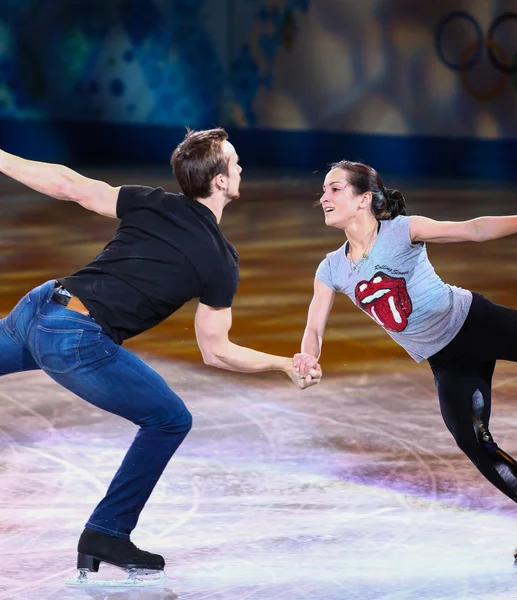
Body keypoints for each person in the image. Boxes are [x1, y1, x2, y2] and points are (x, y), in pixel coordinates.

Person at [0, 128, 321, 583]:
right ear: (222, 182)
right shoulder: (218, 260)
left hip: (37, 306)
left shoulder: (152, 200)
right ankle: (106, 533)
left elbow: (70, 186)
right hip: (72, 337)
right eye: (234, 161)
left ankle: (106, 534)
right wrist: (284, 364)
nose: (241, 166)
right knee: (170, 419)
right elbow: (216, 351)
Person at [294, 159, 517, 525]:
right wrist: (308, 357)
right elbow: (314, 327)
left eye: (334, 189)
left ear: (364, 199)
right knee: (476, 443)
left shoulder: (402, 231)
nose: (324, 198)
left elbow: (473, 230)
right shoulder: (331, 268)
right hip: (446, 360)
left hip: (477, 322)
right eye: (323, 191)